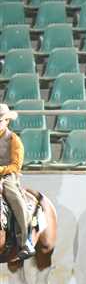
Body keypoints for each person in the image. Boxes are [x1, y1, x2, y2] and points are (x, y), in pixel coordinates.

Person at [0, 104, 35, 260]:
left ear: (7, 121)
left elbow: (15, 166)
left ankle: (25, 241)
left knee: (15, 200)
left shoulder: (13, 139)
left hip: (7, 176)